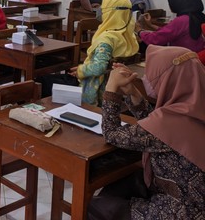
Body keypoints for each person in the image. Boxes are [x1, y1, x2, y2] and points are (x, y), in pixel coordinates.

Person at [87, 45, 205, 220]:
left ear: (170, 80)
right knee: (124, 182)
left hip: (180, 212)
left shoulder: (169, 122)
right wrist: (133, 94)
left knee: (94, 205)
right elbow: (156, 130)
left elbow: (111, 134)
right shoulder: (192, 108)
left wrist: (111, 90)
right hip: (193, 201)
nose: (147, 80)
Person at [69, 0, 138, 106]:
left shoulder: (107, 39)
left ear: (111, 12)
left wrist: (81, 71)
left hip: (100, 91)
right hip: (118, 89)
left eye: (103, 8)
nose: (100, 10)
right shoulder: (128, 34)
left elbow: (98, 68)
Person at [137, 0, 205, 53]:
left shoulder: (182, 20)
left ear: (178, 3)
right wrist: (151, 25)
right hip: (196, 59)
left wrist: (139, 31)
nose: (170, 5)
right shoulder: (198, 16)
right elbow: (170, 32)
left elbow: (156, 39)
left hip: (183, 60)